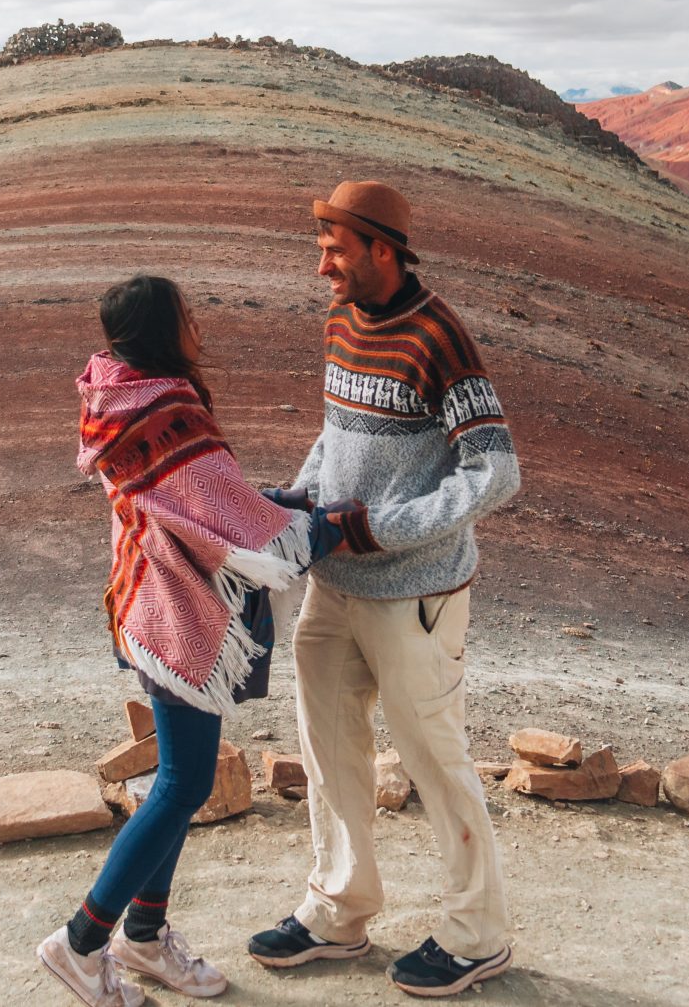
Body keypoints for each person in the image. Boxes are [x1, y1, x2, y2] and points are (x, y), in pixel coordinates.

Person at [39, 274, 363, 1007]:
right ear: (161, 330)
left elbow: (200, 502)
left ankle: (146, 936)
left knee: (180, 780)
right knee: (185, 781)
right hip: (177, 611)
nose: (199, 327)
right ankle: (81, 940)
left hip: (144, 599)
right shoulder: (169, 411)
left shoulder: (120, 400)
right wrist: (326, 526)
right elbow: (234, 518)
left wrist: (273, 500)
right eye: (188, 316)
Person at [249, 180, 521, 998]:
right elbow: (338, 434)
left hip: (414, 593)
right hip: (333, 584)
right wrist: (302, 498)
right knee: (331, 754)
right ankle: (340, 908)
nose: (321, 261)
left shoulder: (439, 336)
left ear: (381, 248)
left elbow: (496, 470)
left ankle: (478, 935)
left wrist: (378, 526)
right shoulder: (340, 321)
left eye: (335, 247)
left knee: (436, 759)